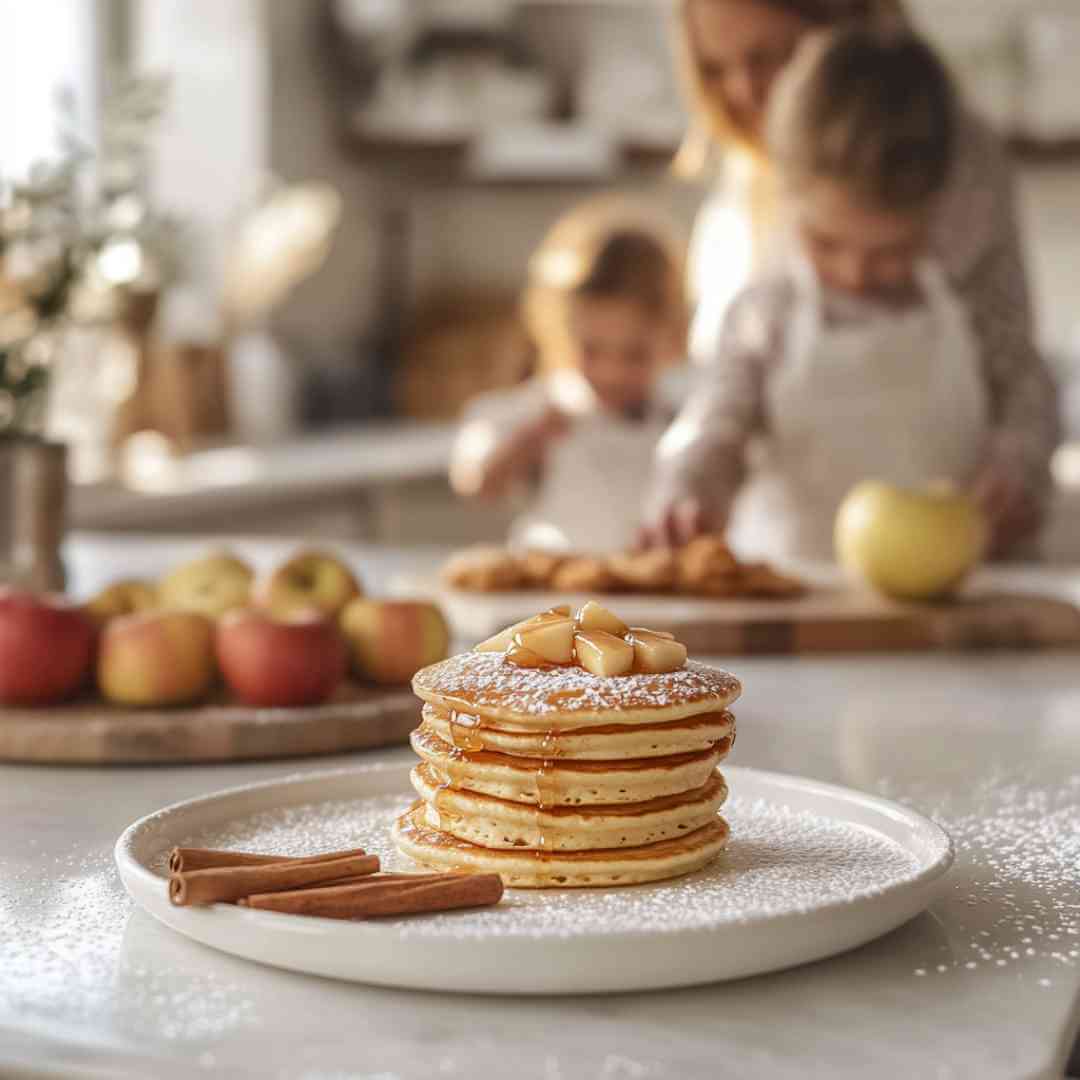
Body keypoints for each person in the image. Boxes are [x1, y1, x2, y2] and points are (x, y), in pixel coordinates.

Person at [643, 22, 1059, 563]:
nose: (856, 271)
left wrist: (1018, 461)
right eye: (827, 243)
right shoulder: (766, 314)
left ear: (934, 215)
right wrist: (691, 480)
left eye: (890, 252)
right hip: (795, 592)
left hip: (955, 594)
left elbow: (1027, 387)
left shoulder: (965, 306)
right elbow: (717, 416)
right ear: (789, 202)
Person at [450, 200, 686, 553]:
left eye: (634, 354)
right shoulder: (547, 409)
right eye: (591, 350)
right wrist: (526, 443)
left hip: (652, 593)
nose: (612, 372)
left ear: (672, 338)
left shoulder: (681, 417)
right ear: (561, 331)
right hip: (554, 594)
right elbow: (475, 479)